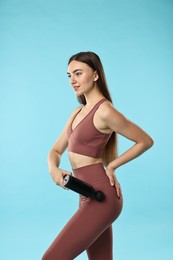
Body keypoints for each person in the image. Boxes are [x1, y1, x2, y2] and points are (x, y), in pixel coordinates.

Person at [42, 52, 153, 260]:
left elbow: (145, 141)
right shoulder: (77, 112)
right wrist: (53, 169)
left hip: (102, 197)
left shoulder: (104, 111)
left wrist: (112, 166)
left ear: (95, 75)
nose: (72, 80)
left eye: (78, 73)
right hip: (85, 193)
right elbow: (55, 151)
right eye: (69, 75)